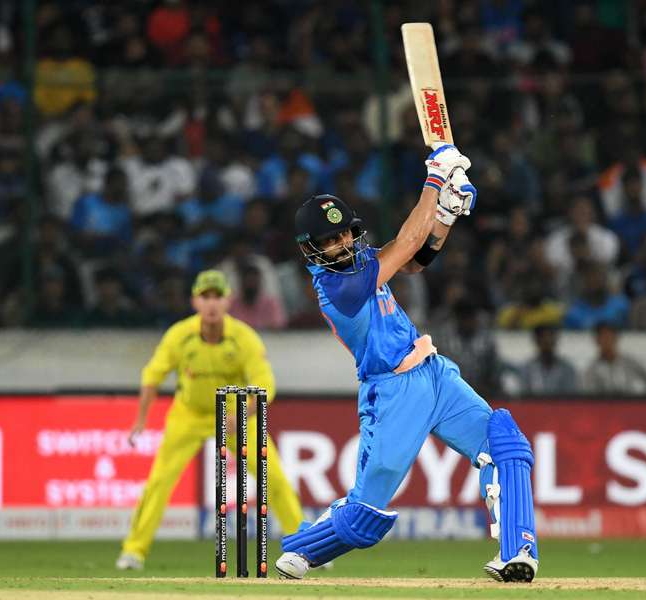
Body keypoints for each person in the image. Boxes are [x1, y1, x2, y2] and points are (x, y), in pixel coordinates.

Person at [276, 144, 539, 583]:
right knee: (366, 519)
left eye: (345, 234)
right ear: (312, 249)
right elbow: (409, 240)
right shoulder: (337, 289)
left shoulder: (361, 259)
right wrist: (435, 180)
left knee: (505, 442)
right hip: (392, 392)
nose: (342, 243)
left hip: (433, 371)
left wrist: (447, 215)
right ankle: (302, 549)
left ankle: (518, 552)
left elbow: (416, 260)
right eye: (330, 240)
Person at [116, 270, 304, 570]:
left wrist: (242, 415)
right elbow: (152, 376)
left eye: (218, 296)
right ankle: (133, 551)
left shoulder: (244, 338)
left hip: (234, 415)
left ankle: (305, 548)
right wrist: (141, 418)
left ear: (228, 300)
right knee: (159, 482)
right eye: (206, 297)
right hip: (189, 414)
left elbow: (265, 387)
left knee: (274, 477)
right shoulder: (180, 335)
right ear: (195, 301)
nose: (212, 304)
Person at [582, 322, 646, 394]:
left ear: (616, 339)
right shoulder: (592, 369)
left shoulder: (630, 362)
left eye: (609, 337)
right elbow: (588, 394)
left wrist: (644, 400)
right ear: (597, 341)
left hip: (629, 406)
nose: (606, 341)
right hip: (604, 407)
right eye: (602, 338)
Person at [519, 324, 578, 394]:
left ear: (555, 340)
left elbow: (572, 398)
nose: (548, 342)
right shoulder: (527, 369)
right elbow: (524, 398)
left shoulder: (567, 369)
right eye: (543, 339)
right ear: (536, 341)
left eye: (551, 338)